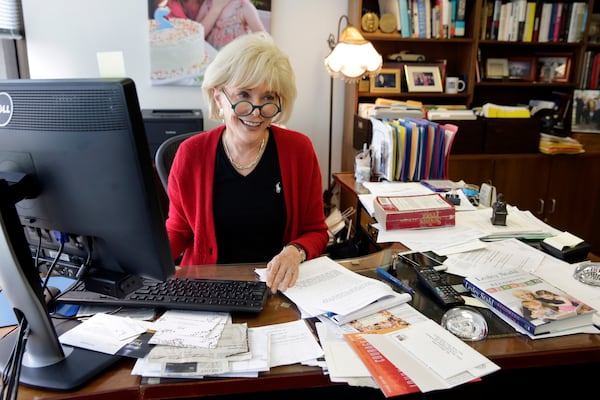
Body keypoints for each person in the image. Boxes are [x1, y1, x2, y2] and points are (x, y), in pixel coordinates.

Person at [165, 32, 329, 294]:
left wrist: (294, 251)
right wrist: (146, 264)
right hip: (207, 290)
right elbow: (178, 231)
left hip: (276, 290)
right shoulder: (190, 154)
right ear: (219, 97)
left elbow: (316, 231)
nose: (256, 110)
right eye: (244, 94)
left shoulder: (299, 150)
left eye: (269, 97)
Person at [196, 0, 266, 50]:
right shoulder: (208, 4)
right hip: (211, 61)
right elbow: (196, 35)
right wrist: (216, 8)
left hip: (234, 63)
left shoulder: (244, 7)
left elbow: (264, 39)